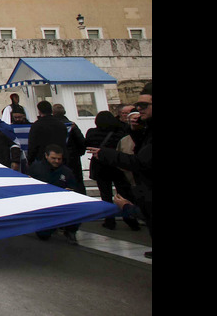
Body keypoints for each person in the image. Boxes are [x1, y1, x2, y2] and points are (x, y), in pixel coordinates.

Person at [89, 89, 152, 250]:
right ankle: (129, 220)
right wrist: (137, 131)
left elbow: (140, 160)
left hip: (115, 168)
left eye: (143, 105)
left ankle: (119, 217)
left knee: (111, 196)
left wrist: (105, 153)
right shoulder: (133, 130)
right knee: (120, 195)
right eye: (137, 106)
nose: (139, 109)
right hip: (119, 171)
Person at [84, 111, 139, 231]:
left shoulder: (92, 133)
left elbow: (86, 145)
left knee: (105, 195)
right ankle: (130, 218)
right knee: (123, 193)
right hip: (116, 166)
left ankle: (109, 221)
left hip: (100, 167)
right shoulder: (119, 132)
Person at [28, 145, 80, 244]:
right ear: (46, 156)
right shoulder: (36, 168)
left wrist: (70, 191)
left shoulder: (67, 172)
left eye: (59, 159)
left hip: (61, 205)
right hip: (42, 206)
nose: (56, 161)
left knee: (78, 208)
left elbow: (74, 188)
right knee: (43, 236)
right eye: (53, 158)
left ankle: (70, 230)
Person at [52, 103, 87, 195]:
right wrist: (79, 153)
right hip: (73, 157)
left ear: (53, 113)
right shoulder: (72, 125)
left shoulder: (52, 126)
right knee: (77, 181)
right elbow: (81, 141)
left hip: (57, 157)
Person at [27, 101, 65, 165]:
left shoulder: (36, 125)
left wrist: (30, 160)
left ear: (39, 111)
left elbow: (32, 144)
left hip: (41, 159)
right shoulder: (61, 124)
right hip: (59, 159)